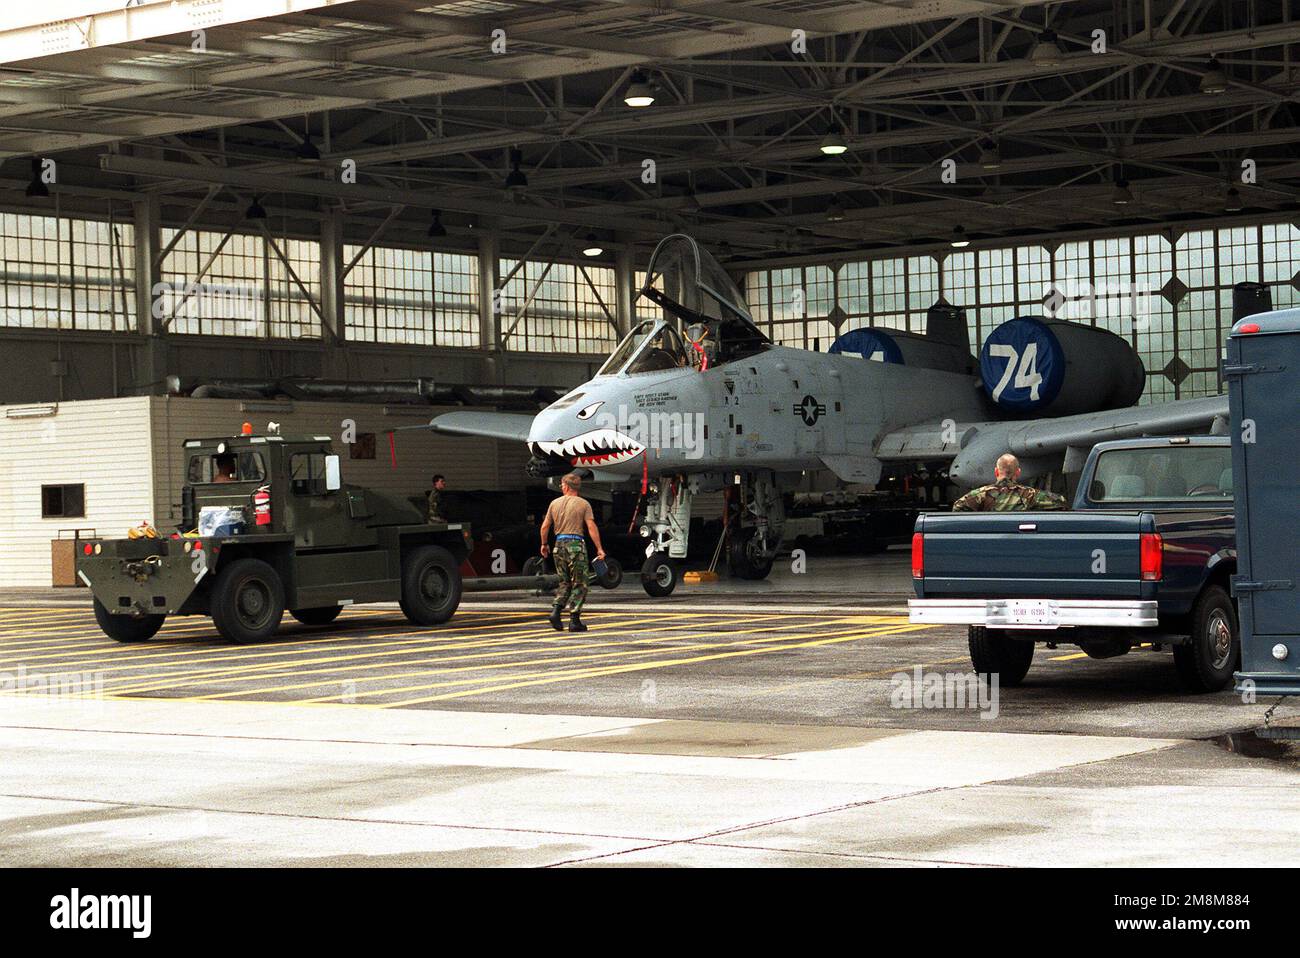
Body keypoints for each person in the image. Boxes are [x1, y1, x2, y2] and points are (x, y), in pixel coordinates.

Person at [539, 472, 606, 633]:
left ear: (567, 486)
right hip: (576, 545)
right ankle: (574, 620)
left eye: (562, 484)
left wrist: (544, 544)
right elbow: (591, 527)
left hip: (558, 545)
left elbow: (544, 527)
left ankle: (556, 610)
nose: (561, 487)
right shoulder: (583, 504)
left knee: (564, 582)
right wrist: (599, 548)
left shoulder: (554, 503)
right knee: (580, 583)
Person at [952, 453, 1068, 512]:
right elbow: (1061, 502)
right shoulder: (1029, 495)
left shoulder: (982, 495)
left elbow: (958, 507)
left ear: (996, 472)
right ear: (1018, 472)